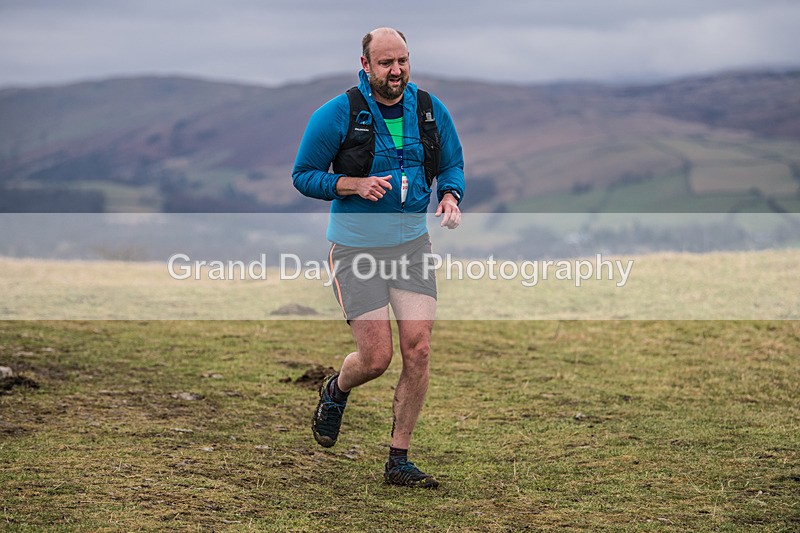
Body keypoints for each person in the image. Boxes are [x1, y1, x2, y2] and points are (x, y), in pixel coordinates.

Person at [292, 27, 465, 488]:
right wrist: (351, 185)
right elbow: (303, 175)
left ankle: (399, 460)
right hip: (355, 248)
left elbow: (452, 164)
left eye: (403, 60)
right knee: (376, 359)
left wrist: (449, 195)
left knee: (419, 349)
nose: (397, 71)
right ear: (365, 65)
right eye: (387, 63)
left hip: (411, 247)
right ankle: (336, 389)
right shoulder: (337, 114)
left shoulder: (429, 110)